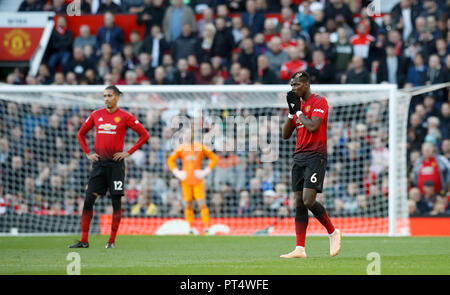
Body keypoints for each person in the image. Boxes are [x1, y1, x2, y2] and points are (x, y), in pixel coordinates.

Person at [69, 85, 150, 249]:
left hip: (116, 166)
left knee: (116, 203)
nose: (106, 98)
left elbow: (145, 135)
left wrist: (128, 152)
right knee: (88, 201)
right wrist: (87, 153)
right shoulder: (96, 115)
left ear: (117, 97)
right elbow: (80, 134)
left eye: (110, 96)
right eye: (105, 96)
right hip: (99, 165)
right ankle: (84, 240)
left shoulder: (125, 116)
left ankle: (111, 241)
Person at [280, 71, 341, 259]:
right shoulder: (297, 106)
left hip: (316, 155)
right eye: (291, 85)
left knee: (308, 199)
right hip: (299, 155)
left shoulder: (319, 102)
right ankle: (300, 248)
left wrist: (298, 112)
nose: (293, 88)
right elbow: (285, 134)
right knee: (299, 202)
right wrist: (292, 113)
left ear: (306, 84)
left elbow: (313, 126)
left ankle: (333, 232)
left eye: (296, 85)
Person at [167, 127, 218, 235]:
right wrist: (177, 172)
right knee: (188, 204)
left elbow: (214, 158)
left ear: (193, 135)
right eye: (186, 133)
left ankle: (207, 227)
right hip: (186, 181)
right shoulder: (181, 148)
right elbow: (170, 160)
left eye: (190, 133)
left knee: (201, 203)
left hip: (198, 180)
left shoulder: (200, 147)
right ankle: (190, 227)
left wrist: (205, 171)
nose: (188, 135)